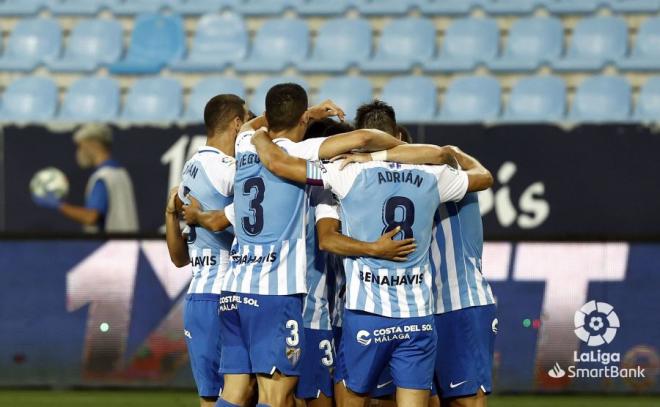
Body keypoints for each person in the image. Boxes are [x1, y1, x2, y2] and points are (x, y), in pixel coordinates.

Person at [184, 83, 403, 407]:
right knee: (276, 395)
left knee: (234, 391)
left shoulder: (246, 145)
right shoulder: (298, 153)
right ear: (301, 119)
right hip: (273, 292)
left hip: (233, 290)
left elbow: (247, 127)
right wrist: (393, 149)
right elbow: (362, 138)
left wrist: (308, 113)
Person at [247, 125, 493, 407]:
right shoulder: (434, 177)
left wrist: (257, 135)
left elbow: (281, 164)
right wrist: (448, 152)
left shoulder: (345, 173)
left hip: (367, 314)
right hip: (417, 318)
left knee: (349, 398)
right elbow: (478, 175)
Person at [165, 94, 250, 407]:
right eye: (250, 122)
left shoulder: (191, 168)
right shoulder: (228, 170)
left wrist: (169, 214)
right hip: (226, 296)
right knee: (247, 391)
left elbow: (178, 258)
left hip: (198, 296)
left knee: (211, 397)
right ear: (237, 124)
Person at [32, 123, 138, 233]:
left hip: (111, 247)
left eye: (80, 146)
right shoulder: (121, 173)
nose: (79, 152)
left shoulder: (103, 177)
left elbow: (91, 217)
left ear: (93, 144)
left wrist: (59, 205)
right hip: (128, 246)